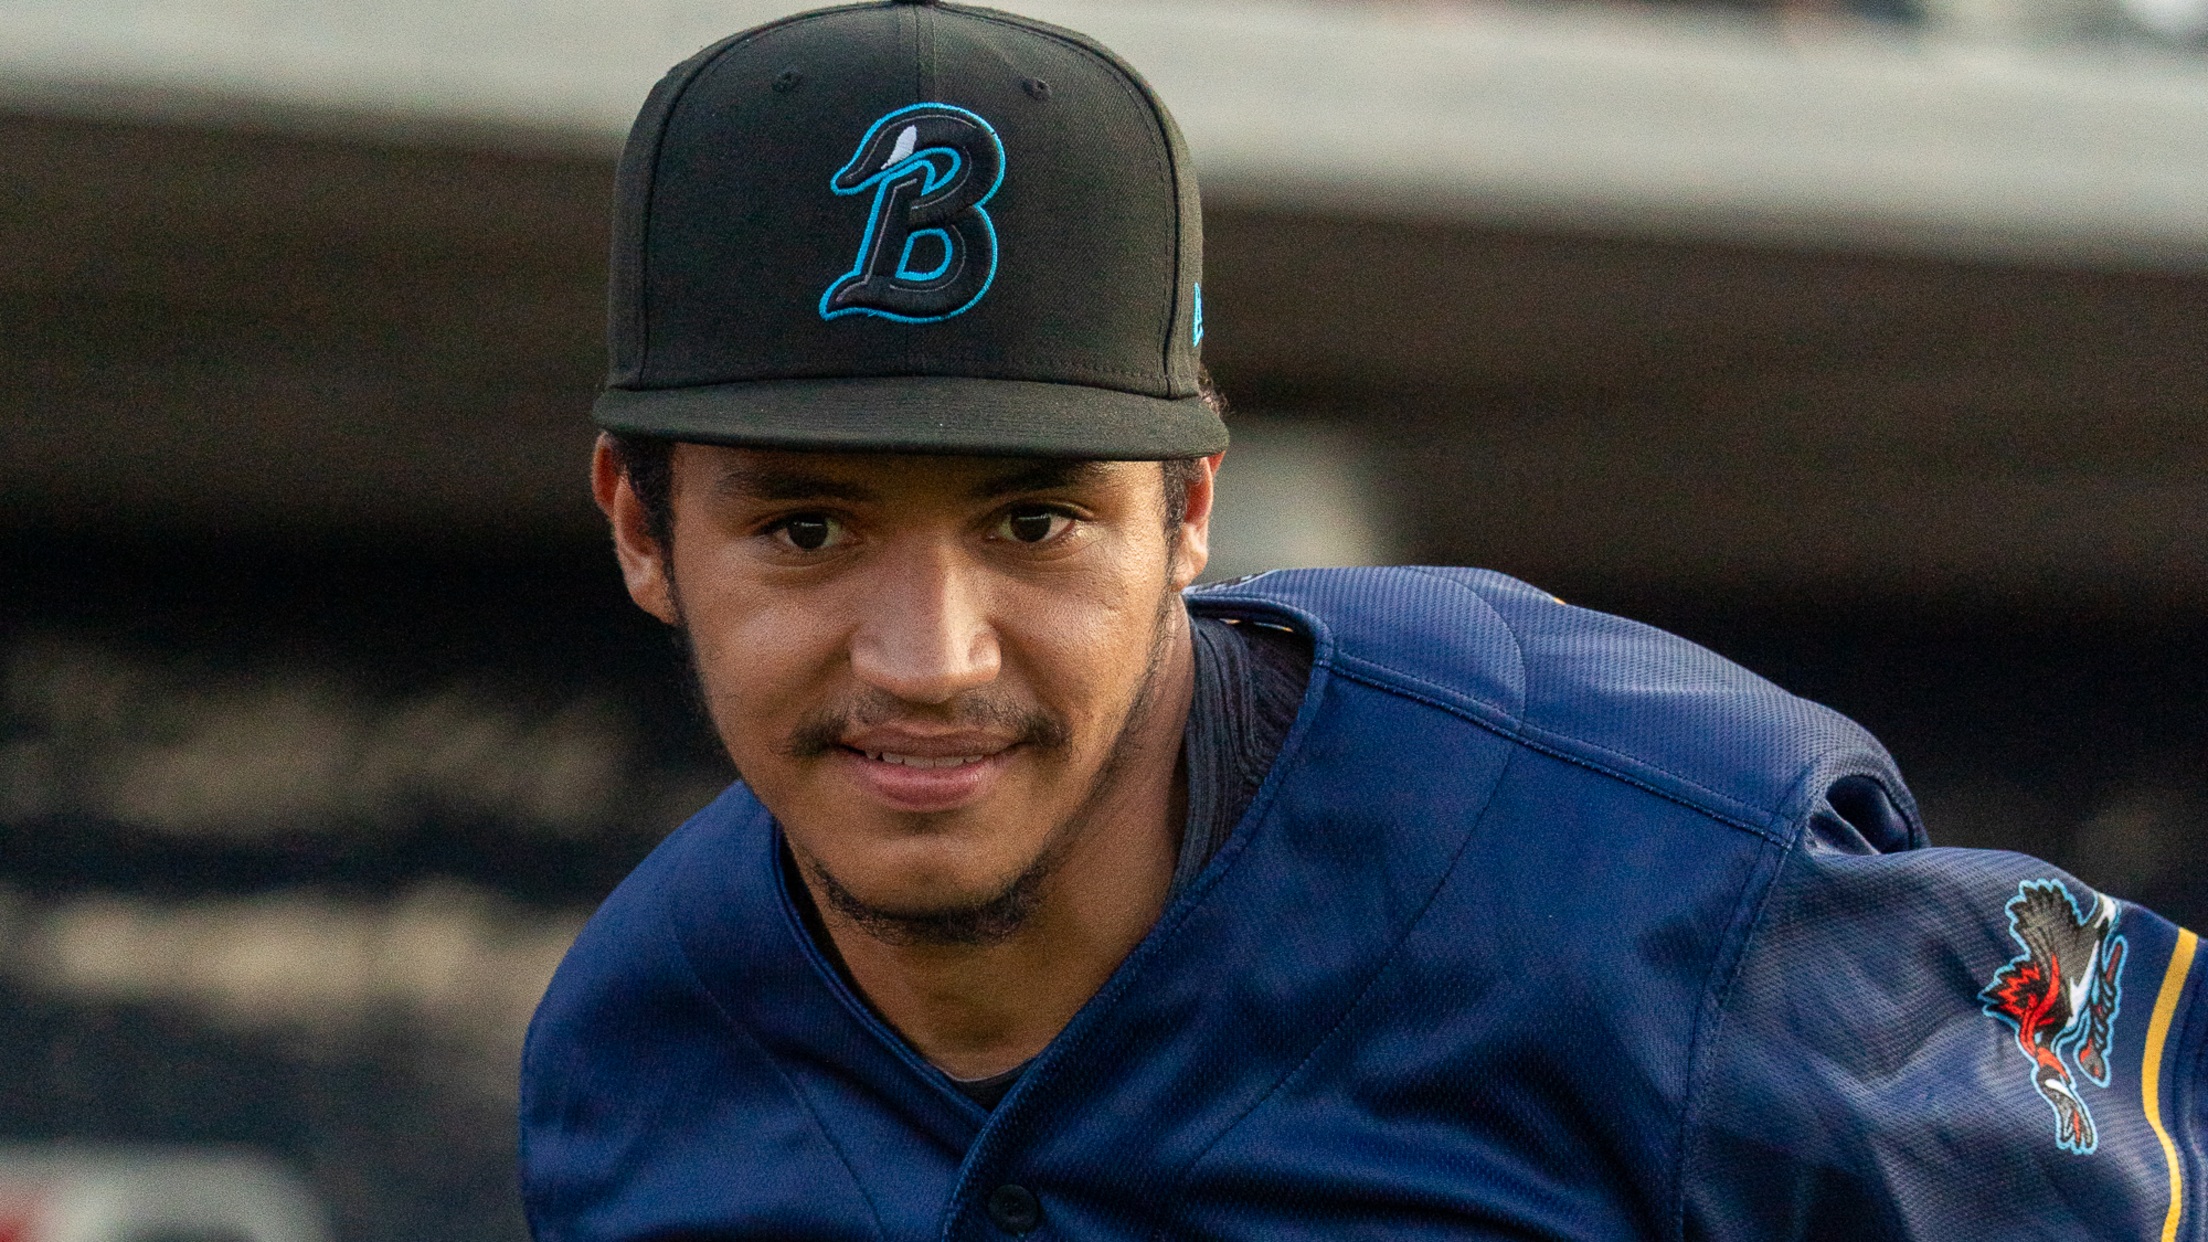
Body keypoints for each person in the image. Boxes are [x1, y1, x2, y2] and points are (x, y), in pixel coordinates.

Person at [519, 1, 2205, 1237]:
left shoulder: (1645, 867)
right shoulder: (636, 1051)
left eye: (1035, 521)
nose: (932, 655)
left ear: (1188, 514)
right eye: (808, 530)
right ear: (641, 528)